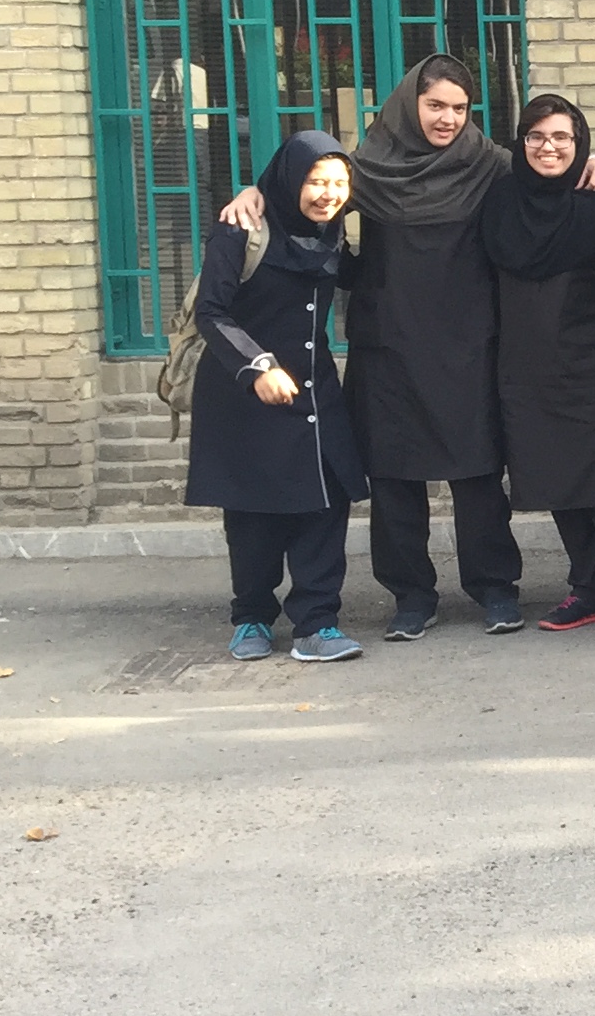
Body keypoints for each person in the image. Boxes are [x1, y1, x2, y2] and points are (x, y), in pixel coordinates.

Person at [224, 56, 527, 642]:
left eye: (459, 108)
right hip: (388, 342)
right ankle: (411, 595)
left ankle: (494, 587)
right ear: (410, 103)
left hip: (469, 341)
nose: (447, 118)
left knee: (478, 474)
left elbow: (550, 181)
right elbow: (302, 195)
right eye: (435, 105)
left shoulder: (489, 165)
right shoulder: (369, 169)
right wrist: (254, 192)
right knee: (394, 477)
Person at [186, 131, 366, 663]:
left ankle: (317, 622)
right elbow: (211, 312)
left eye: (339, 183)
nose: (328, 194)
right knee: (253, 512)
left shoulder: (332, 231)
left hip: (314, 391)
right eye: (315, 181)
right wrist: (257, 366)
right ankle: (252, 617)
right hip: (246, 393)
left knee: (325, 503)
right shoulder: (241, 228)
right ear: (289, 181)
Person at [480, 96, 595, 634]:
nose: (547, 147)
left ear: (580, 143)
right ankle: (589, 588)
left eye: (561, 138)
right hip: (528, 365)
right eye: (536, 136)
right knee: (555, 477)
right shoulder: (501, 202)